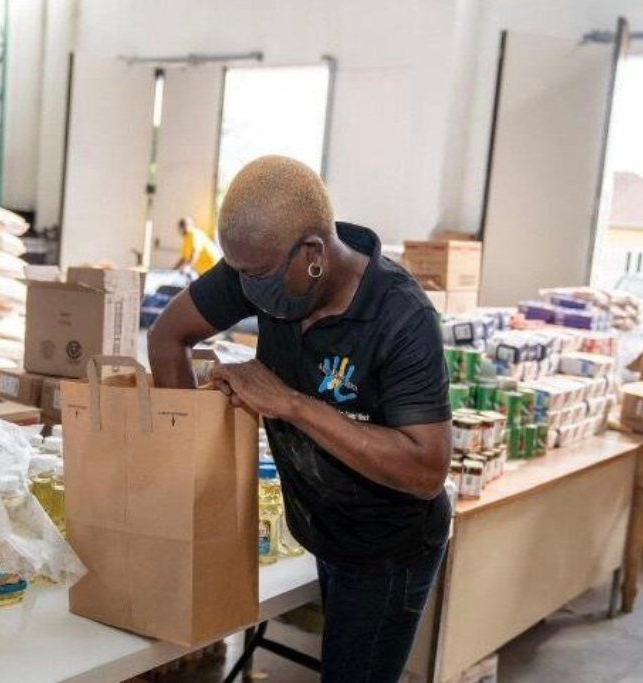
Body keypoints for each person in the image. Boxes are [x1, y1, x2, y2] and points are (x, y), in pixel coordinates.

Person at [148, 155, 452, 682]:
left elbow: (426, 471)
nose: (246, 288)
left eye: (258, 274)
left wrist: (288, 402)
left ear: (313, 253)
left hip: (387, 551)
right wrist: (188, 465)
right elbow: (167, 336)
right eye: (238, 272)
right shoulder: (260, 267)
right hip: (319, 526)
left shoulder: (401, 318)